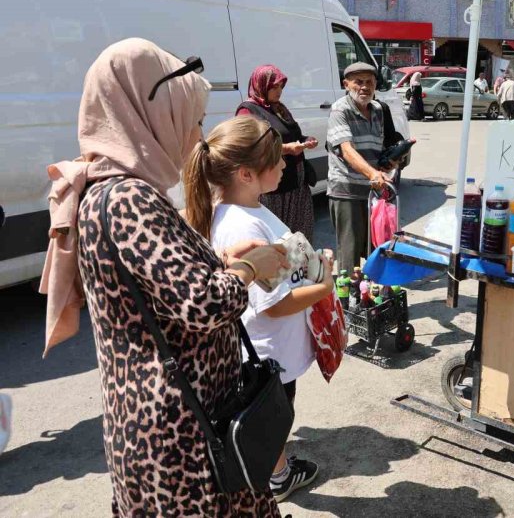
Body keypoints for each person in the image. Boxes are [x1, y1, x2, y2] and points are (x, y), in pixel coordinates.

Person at [40, 38, 288, 516]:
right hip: (182, 438)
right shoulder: (129, 198)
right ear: (149, 112)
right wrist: (251, 267)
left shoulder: (109, 190)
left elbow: (162, 287)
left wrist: (219, 259)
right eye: (191, 120)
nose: (196, 138)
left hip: (173, 424)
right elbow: (204, 305)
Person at [186, 115, 336, 502]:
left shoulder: (248, 208)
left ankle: (276, 472)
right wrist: (324, 287)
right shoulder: (243, 227)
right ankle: (276, 478)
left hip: (270, 349)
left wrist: (311, 263)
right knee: (272, 417)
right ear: (246, 174)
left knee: (273, 416)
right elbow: (275, 305)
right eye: (276, 160)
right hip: (268, 353)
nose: (285, 163)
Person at [237, 65, 319, 240]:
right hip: (273, 191)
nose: (279, 91)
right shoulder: (248, 110)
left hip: (296, 187)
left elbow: (292, 134)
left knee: (299, 242)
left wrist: (305, 140)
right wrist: (287, 149)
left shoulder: (279, 108)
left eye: (281, 86)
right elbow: (249, 146)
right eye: (274, 86)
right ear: (261, 85)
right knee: (277, 241)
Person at [327, 62, 393, 270]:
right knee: (350, 252)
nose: (364, 87)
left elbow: (377, 148)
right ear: (346, 84)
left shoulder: (377, 110)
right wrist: (372, 173)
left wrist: (389, 161)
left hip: (372, 191)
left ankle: (370, 296)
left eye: (369, 82)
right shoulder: (340, 109)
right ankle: (348, 300)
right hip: (347, 191)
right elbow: (347, 150)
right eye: (358, 82)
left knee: (376, 245)